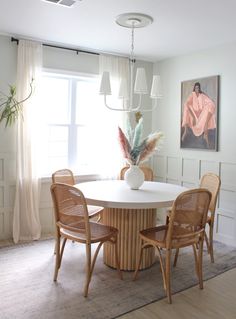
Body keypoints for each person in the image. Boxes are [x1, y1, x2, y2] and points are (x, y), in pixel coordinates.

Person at [181, 82, 216, 148]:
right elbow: (186, 104)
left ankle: (205, 133)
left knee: (210, 105)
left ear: (199, 88)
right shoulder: (192, 95)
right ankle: (186, 130)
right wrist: (193, 117)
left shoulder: (202, 95)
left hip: (201, 116)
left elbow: (211, 104)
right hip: (193, 116)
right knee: (186, 105)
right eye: (196, 87)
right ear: (194, 88)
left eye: (198, 87)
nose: (197, 89)